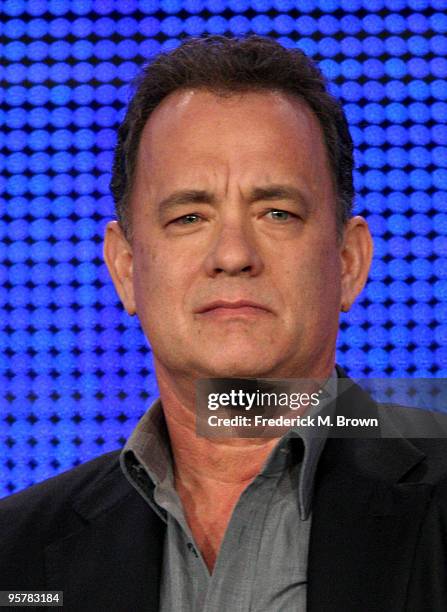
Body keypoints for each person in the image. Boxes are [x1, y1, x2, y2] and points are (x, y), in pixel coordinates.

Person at [1, 35, 447, 612]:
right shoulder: (15, 556)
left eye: (277, 213)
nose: (233, 253)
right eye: (189, 216)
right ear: (126, 268)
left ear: (348, 263)